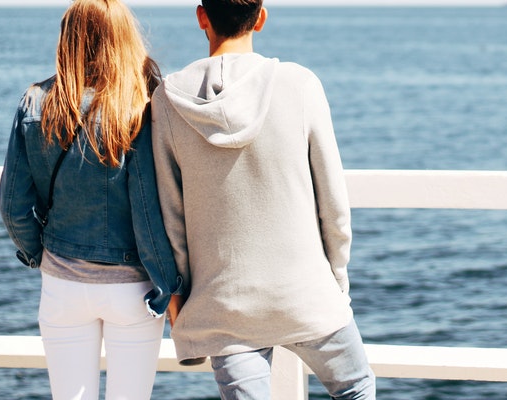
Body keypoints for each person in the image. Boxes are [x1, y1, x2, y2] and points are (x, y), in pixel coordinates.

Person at [150, 0, 376, 398]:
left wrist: (182, 296)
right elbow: (334, 208)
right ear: (261, 17)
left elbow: (171, 217)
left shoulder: (167, 100)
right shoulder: (300, 85)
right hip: (307, 294)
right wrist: (336, 285)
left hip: (222, 307)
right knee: (356, 387)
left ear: (202, 17)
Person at [0, 0, 184, 399]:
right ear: (122, 40)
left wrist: (38, 253)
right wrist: (168, 281)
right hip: (132, 287)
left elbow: (12, 205)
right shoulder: (140, 108)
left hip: (63, 283)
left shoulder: (35, 103)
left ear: (68, 40)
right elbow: (152, 208)